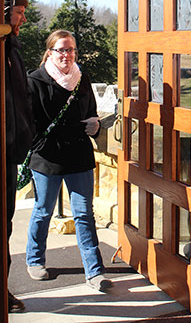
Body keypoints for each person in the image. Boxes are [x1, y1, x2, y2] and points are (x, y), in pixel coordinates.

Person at [26, 29, 113, 292]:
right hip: (47, 159)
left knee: (84, 215)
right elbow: (32, 124)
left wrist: (95, 126)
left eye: (72, 49)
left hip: (78, 156)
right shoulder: (35, 80)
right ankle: (34, 260)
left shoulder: (82, 79)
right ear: (50, 52)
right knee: (43, 211)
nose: (67, 55)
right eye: (62, 50)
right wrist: (75, 127)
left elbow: (92, 114)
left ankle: (95, 272)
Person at [4, 0, 35, 312]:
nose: (23, 19)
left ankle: (4, 290)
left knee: (6, 223)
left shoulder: (12, 47)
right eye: (19, 13)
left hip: (9, 153)